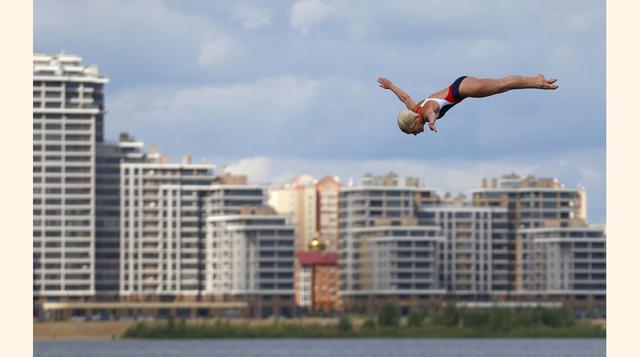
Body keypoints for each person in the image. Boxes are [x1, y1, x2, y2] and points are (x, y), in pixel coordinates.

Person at [377, 75, 558, 135]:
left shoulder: (425, 113)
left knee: (502, 85)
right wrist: (391, 86)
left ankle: (538, 81)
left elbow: (433, 110)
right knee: (502, 87)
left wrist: (433, 121)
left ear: (414, 123)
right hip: (461, 85)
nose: (415, 134)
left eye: (412, 131)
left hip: (463, 89)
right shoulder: (414, 109)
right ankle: (536, 81)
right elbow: (405, 97)